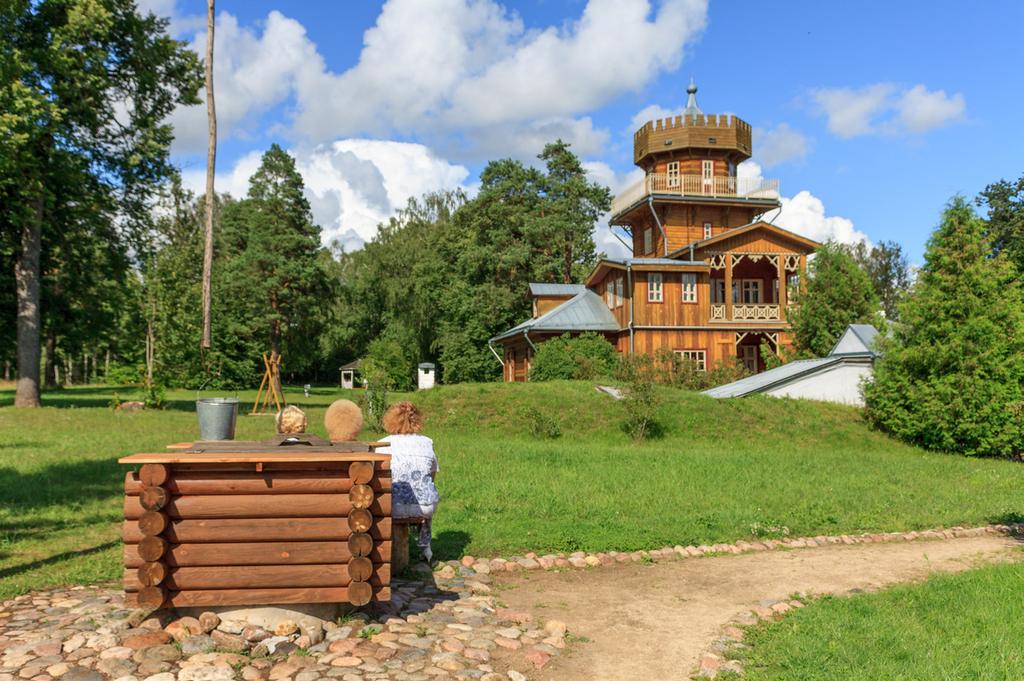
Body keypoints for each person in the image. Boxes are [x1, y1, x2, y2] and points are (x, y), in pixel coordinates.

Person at [376, 401, 439, 562]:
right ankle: (425, 547)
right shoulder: (427, 442)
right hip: (424, 507)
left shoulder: (382, 445)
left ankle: (381, 547)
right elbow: (432, 475)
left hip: (391, 506)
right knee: (427, 490)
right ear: (417, 420)